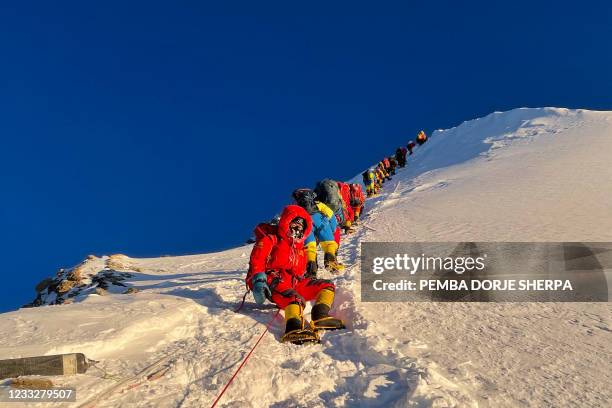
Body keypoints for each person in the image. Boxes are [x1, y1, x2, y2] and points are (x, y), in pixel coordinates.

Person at [247, 205, 345, 344]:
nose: (298, 227)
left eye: (302, 224)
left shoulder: (300, 249)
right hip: (273, 280)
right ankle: (293, 329)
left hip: (294, 282)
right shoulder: (271, 239)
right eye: (295, 222)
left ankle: (320, 317)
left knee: (327, 286)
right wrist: (258, 280)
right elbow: (258, 258)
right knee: (295, 298)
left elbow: (300, 271)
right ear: (286, 221)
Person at [292, 189, 343, 276]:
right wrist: (333, 229)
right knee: (329, 244)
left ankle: (311, 270)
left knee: (309, 247)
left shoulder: (297, 208)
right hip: (322, 223)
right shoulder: (318, 203)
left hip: (305, 225)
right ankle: (330, 261)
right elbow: (331, 215)